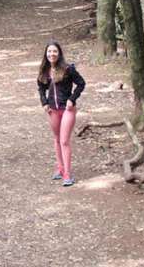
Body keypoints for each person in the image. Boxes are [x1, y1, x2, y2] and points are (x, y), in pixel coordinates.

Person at [37, 41, 85, 186]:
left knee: (64, 141)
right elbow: (41, 87)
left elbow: (81, 83)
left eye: (55, 51)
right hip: (53, 110)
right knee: (57, 139)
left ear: (59, 53)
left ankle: (67, 175)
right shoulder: (44, 71)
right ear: (46, 54)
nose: (52, 54)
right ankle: (60, 167)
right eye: (49, 51)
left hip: (67, 109)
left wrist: (72, 99)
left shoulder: (68, 69)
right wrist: (44, 102)